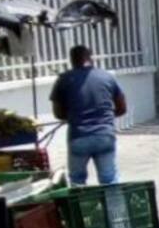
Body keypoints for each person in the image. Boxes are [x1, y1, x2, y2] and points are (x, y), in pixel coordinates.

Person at [50, 45, 127, 185]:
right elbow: (122, 108)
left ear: (72, 60)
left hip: (79, 137)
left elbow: (57, 113)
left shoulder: (64, 79)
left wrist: (73, 116)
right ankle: (115, 207)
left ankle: (82, 206)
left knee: (77, 181)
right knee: (109, 179)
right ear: (90, 58)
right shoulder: (107, 77)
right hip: (105, 135)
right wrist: (104, 117)